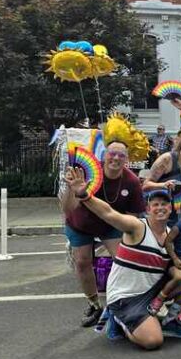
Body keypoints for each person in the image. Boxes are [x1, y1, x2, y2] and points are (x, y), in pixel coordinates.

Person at [66, 173, 181, 347]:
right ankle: (118, 320)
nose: (160, 208)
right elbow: (109, 213)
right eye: (155, 204)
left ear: (171, 208)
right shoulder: (137, 227)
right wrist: (84, 196)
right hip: (126, 296)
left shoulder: (171, 233)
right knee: (153, 341)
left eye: (164, 204)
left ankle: (171, 322)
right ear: (148, 209)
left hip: (150, 293)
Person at [61, 138, 145, 327]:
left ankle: (121, 301)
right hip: (80, 222)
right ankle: (94, 304)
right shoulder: (86, 173)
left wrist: (129, 242)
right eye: (111, 153)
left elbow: (132, 219)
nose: (115, 158)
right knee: (82, 261)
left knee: (124, 261)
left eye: (121, 155)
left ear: (127, 159)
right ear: (104, 155)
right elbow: (68, 209)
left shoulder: (131, 182)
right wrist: (71, 188)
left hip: (111, 224)